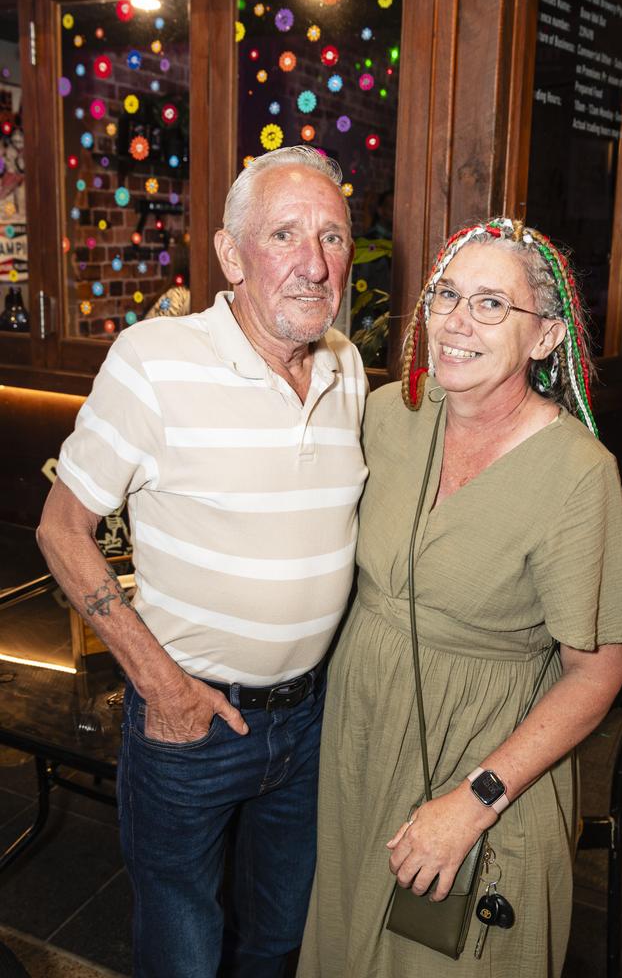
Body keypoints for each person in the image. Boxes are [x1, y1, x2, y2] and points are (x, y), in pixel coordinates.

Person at [36, 145, 367, 978]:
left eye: (333, 237)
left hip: (309, 721)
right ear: (231, 255)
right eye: (285, 234)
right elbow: (61, 530)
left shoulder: (348, 365)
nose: (313, 262)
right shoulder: (155, 361)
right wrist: (161, 685)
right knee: (182, 950)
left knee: (280, 939)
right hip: (190, 722)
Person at [298, 217, 622, 978]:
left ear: (546, 338)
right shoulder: (390, 417)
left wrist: (476, 797)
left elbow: (598, 671)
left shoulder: (578, 475)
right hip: (360, 742)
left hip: (487, 755)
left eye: (492, 304)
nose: (456, 321)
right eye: (446, 294)